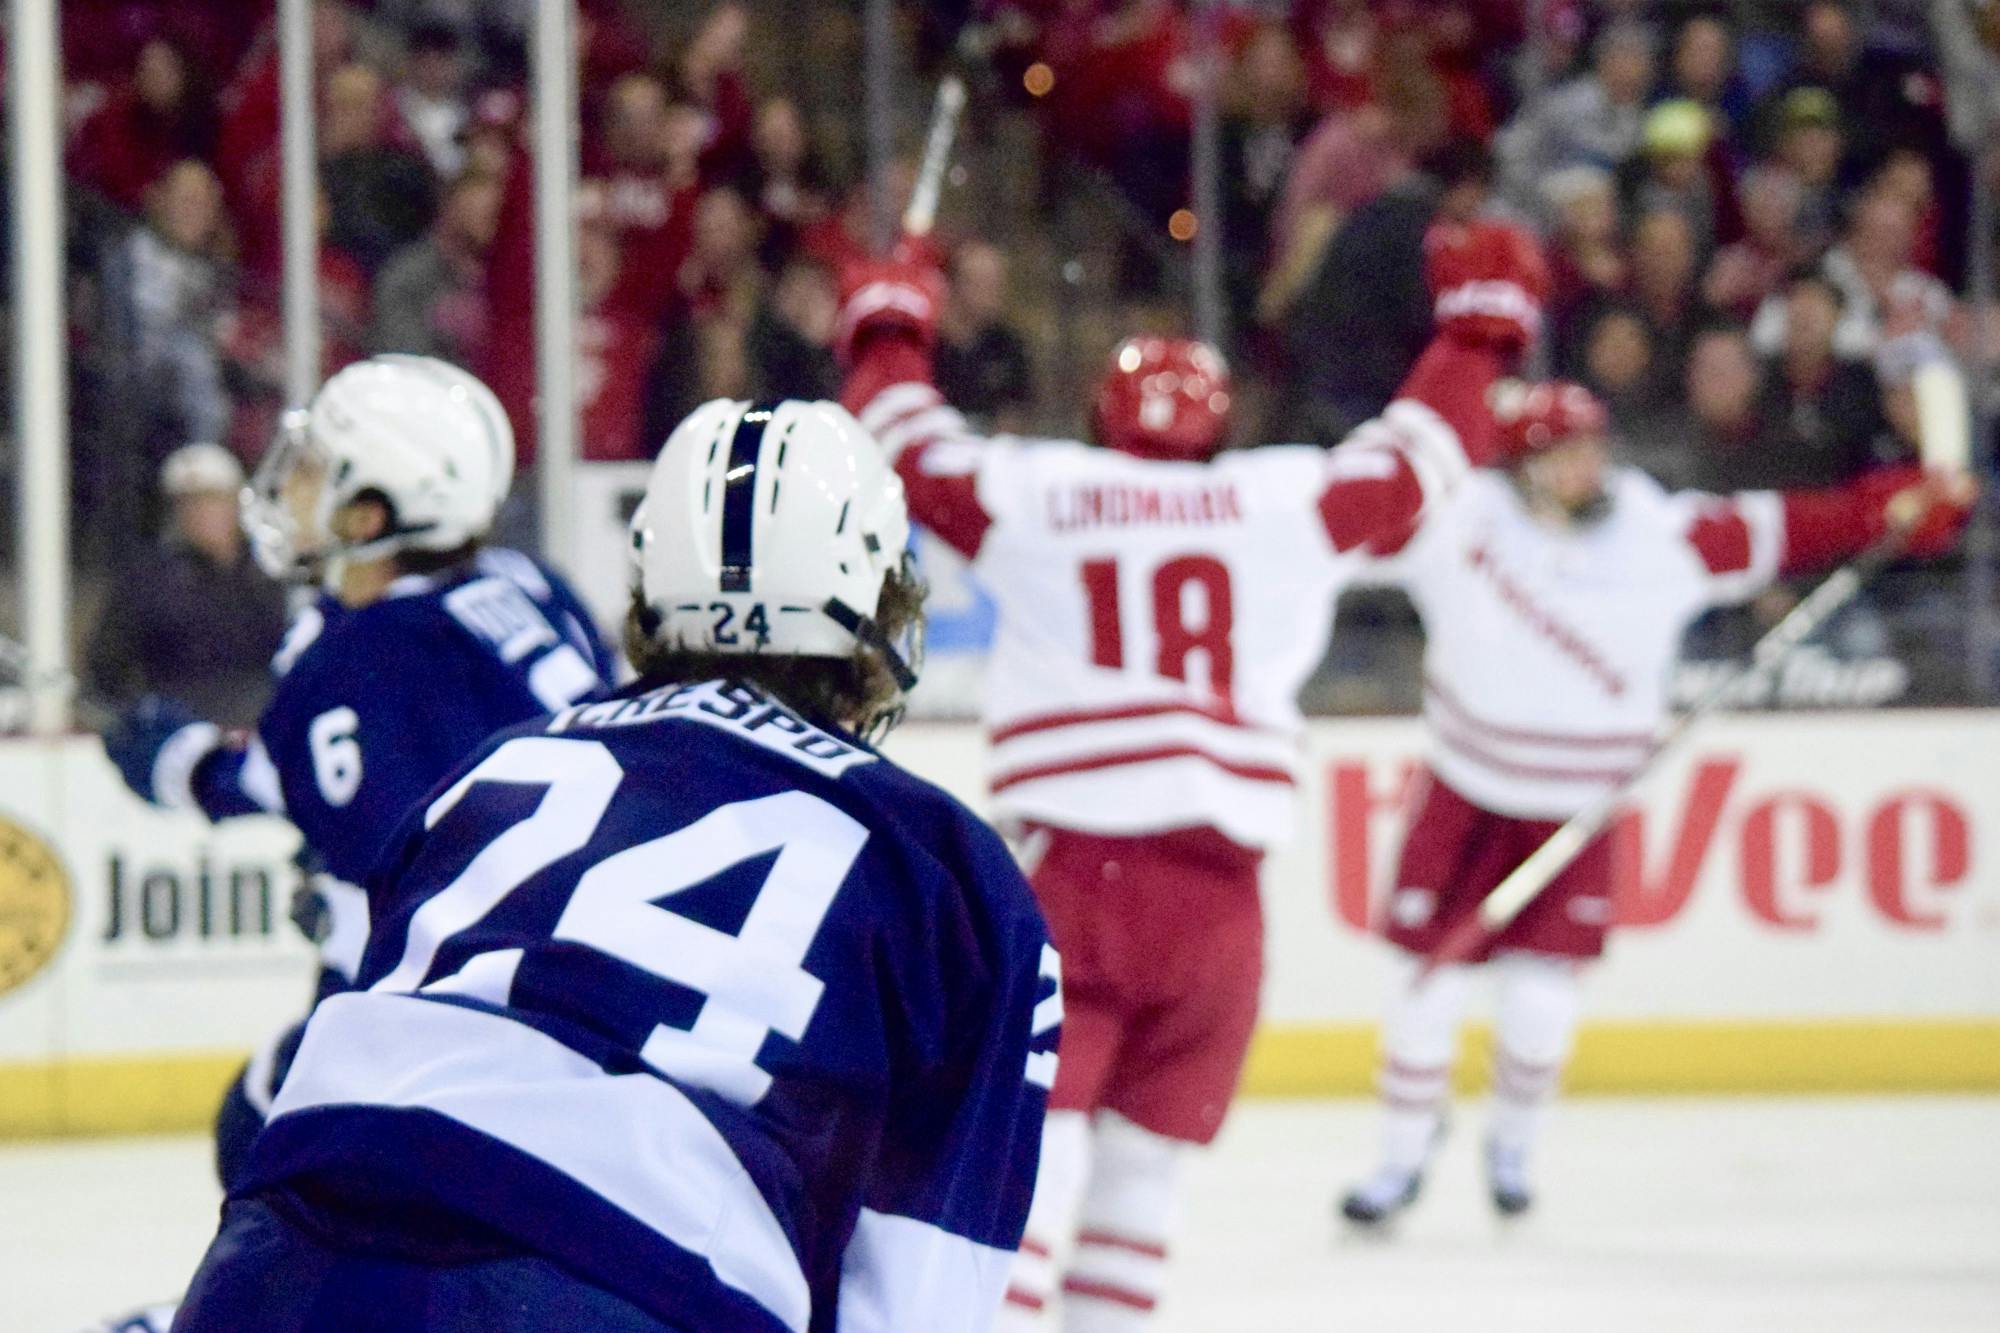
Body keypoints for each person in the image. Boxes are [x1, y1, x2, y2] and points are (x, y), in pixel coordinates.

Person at [169, 398, 1059, 1333]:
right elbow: (920, 1293)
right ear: (886, 606)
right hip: (615, 1285)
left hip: (282, 1259)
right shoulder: (951, 870)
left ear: (646, 593)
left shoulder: (492, 768)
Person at [838, 219, 1548, 1328]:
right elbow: (1425, 453)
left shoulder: (1042, 493)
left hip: (1073, 880)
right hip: (1219, 910)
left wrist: (887, 322)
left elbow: (903, 446)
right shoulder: (1281, 503)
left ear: (1099, 419)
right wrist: (1477, 331)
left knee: (1038, 1171)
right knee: (1139, 1188)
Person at [1337, 381, 1974, 1227]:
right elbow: (1337, 528)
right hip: (1467, 795)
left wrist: (1894, 507)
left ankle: (1514, 1147)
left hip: (1577, 809)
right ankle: (1400, 1159)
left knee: (1538, 1009)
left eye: (1593, 447)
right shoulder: (1463, 519)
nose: (1587, 466)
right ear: (1523, 467)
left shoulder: (1656, 532)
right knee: (1422, 991)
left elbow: (1788, 527)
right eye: (1564, 454)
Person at [101, 356, 616, 1193]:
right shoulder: (530, 584)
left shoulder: (365, 654)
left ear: (372, 513)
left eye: (314, 474)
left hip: (472, 1022)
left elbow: (308, 813)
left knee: (264, 1122)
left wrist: (175, 760)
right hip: (592, 993)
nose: (289, 491)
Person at [85, 443, 288, 729]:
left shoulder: (273, 575)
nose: (201, 512)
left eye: (212, 499)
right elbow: (106, 670)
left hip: (265, 725)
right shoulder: (147, 582)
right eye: (188, 502)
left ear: (236, 503)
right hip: (181, 732)